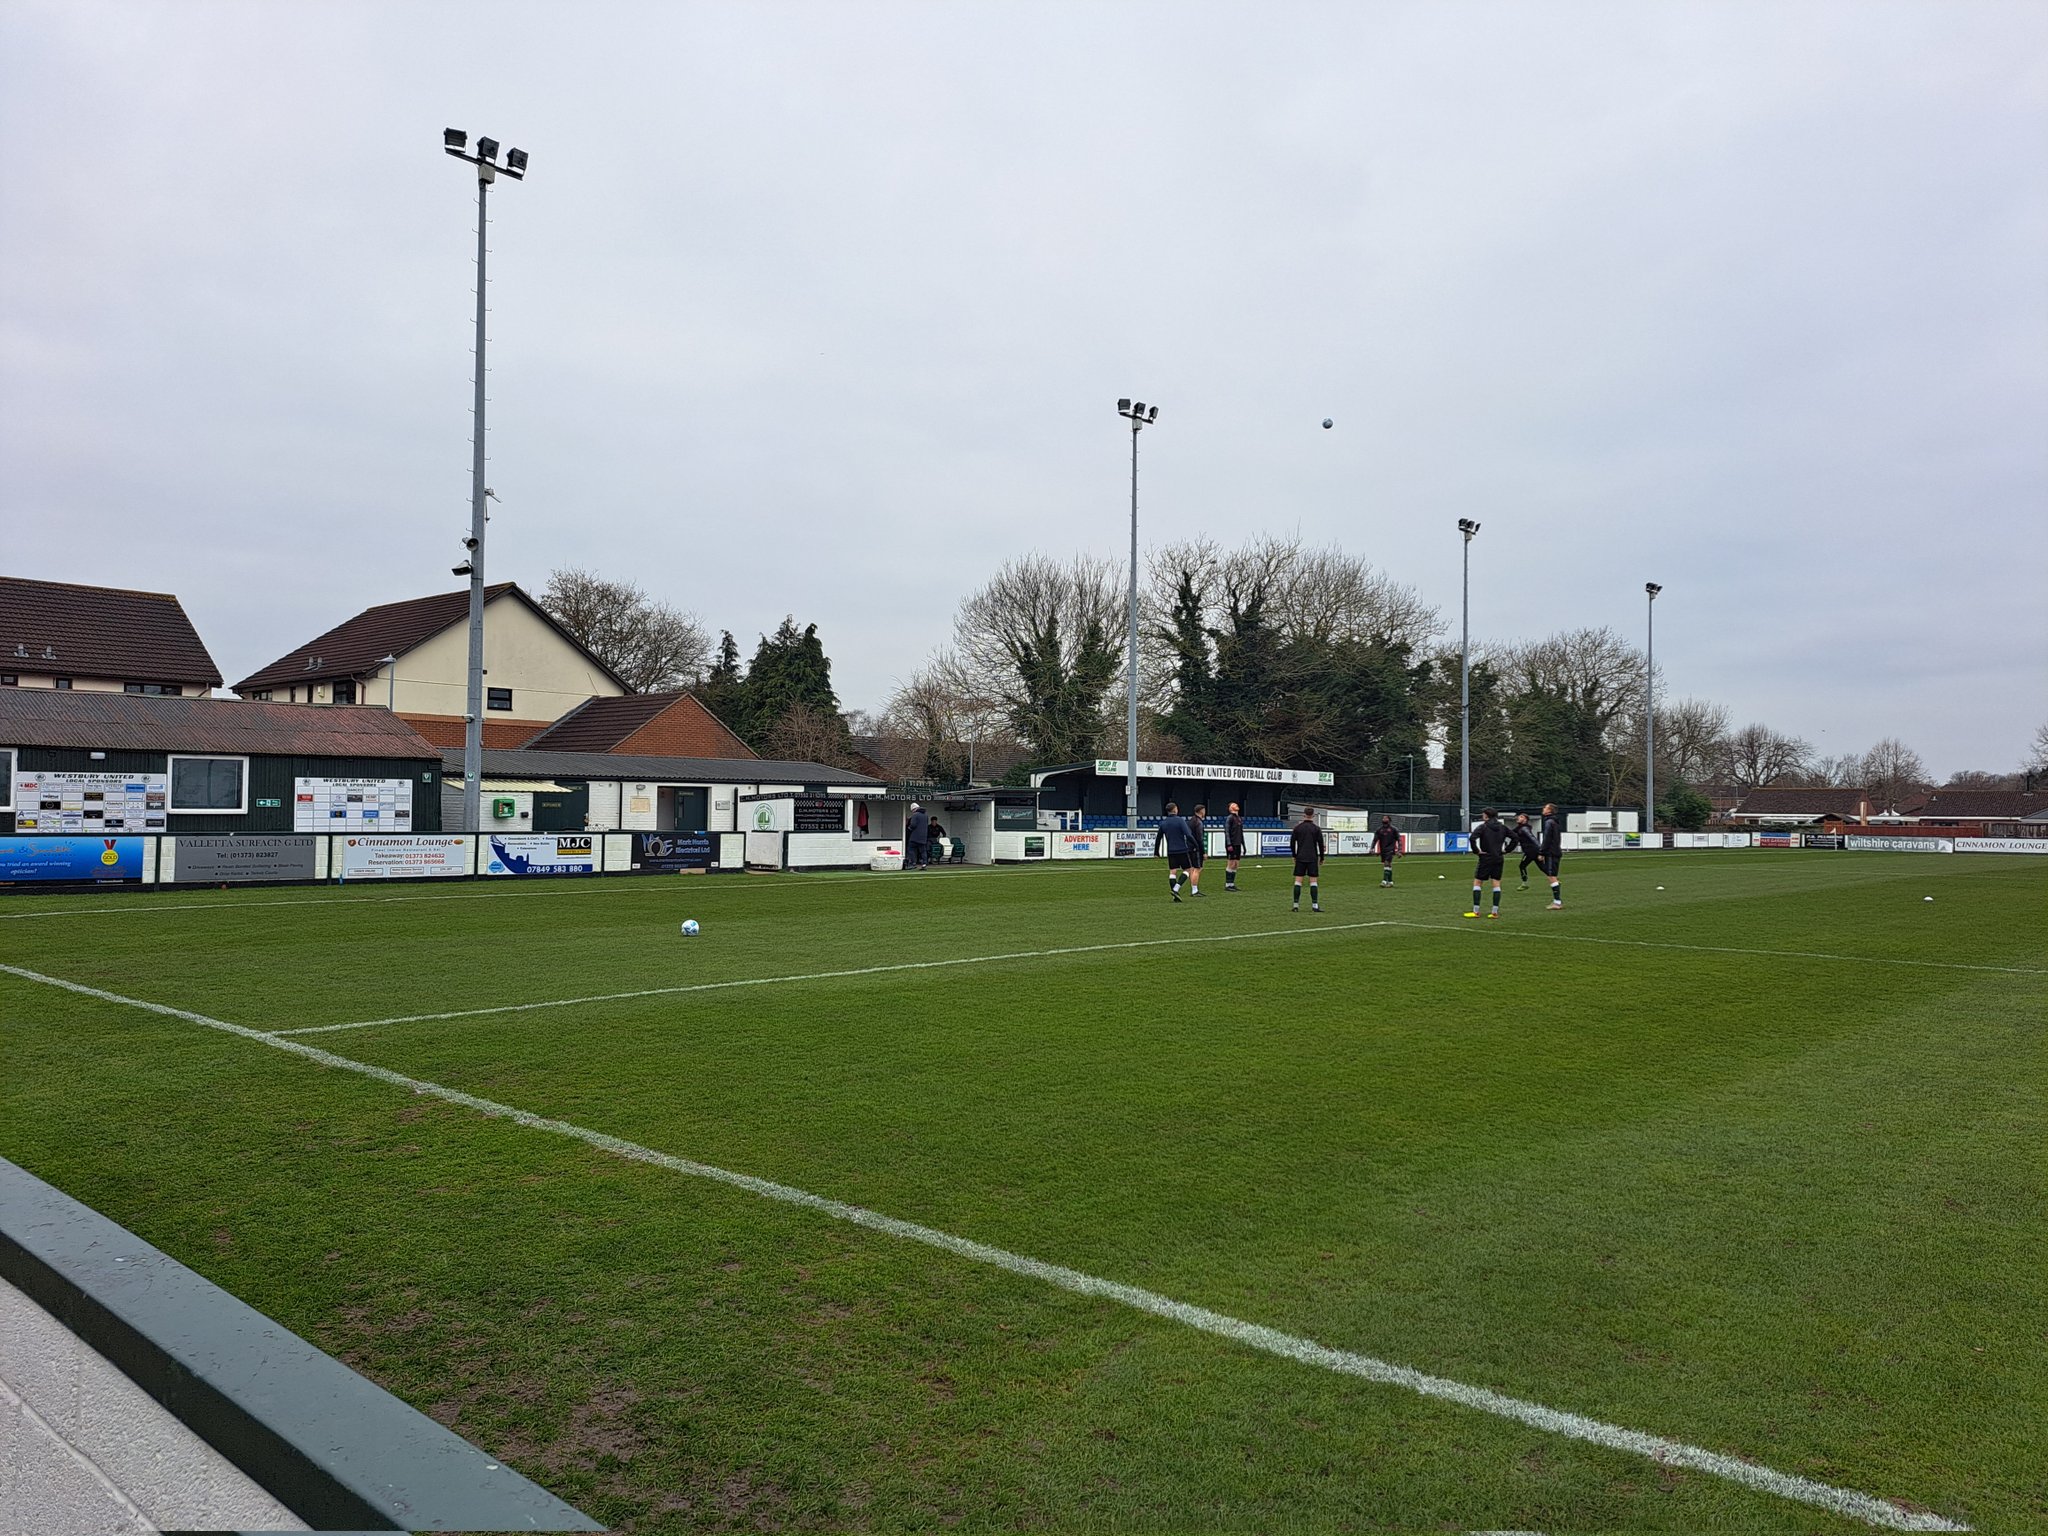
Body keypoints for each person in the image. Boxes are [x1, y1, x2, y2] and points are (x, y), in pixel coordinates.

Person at [1466, 808, 1512, 918]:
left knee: (1478, 883)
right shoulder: (1502, 827)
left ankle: (1476, 911)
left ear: (1486, 816)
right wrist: (1507, 850)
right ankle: (1494, 912)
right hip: (1498, 858)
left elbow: (1472, 838)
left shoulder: (1483, 827)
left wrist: (1476, 851)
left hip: (1485, 858)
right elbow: (1515, 838)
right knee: (1496, 884)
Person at [1155, 801, 1197, 902]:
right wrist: (1195, 845)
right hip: (1182, 849)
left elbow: (1158, 838)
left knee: (1173, 871)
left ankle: (1175, 897)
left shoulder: (1164, 823)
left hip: (1171, 851)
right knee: (1188, 869)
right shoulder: (1180, 821)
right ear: (1175, 809)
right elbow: (1188, 834)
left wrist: (1156, 852)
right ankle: (1176, 888)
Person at [1289, 810, 1326, 912]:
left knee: (1298, 881)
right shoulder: (1316, 829)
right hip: (1312, 857)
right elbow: (1320, 845)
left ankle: (1295, 905)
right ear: (1313, 815)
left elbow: (1292, 843)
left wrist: (1294, 855)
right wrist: (1322, 857)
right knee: (1313, 882)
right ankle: (1315, 905)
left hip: (1300, 857)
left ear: (1304, 815)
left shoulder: (1298, 828)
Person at [1537, 801, 1564, 908]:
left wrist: (1541, 852)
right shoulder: (1555, 822)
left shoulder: (1549, 822)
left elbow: (1547, 838)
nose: (1543, 809)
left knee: (1551, 876)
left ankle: (1557, 902)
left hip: (1551, 853)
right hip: (1556, 851)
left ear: (1549, 810)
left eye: (1545, 808)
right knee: (1553, 875)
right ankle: (1557, 898)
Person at [1371, 814, 1402, 887]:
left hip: (1390, 849)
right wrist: (1372, 848)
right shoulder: (1379, 830)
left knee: (1386, 863)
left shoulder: (1394, 829)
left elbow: (1399, 840)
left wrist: (1399, 850)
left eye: (1386, 818)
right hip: (1383, 850)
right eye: (1383, 818)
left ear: (1389, 820)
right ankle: (1390, 882)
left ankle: (1384, 881)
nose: (1384, 819)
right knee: (1389, 865)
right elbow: (1375, 840)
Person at [1514, 812, 1543, 887]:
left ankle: (1524, 884)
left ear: (1525, 819)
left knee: (1522, 866)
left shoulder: (1524, 828)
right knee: (1542, 868)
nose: (1518, 818)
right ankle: (1555, 881)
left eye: (1521, 817)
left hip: (1530, 851)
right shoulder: (1519, 828)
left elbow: (1532, 838)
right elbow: (1510, 832)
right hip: (1534, 850)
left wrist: (1541, 850)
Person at [1223, 802, 1246, 890]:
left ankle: (1232, 884)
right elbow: (1227, 831)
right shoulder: (1230, 818)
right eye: (1234, 805)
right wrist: (1229, 844)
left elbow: (1241, 833)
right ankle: (1227, 884)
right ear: (1230, 808)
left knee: (1236, 864)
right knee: (1231, 863)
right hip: (1232, 844)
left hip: (1238, 844)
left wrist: (1243, 845)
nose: (1236, 805)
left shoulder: (1239, 818)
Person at [1186, 804, 1207, 896]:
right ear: (1201, 811)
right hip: (1196, 848)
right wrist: (1203, 852)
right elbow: (1200, 838)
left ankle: (1193, 888)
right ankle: (1194, 890)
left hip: (1189, 847)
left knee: (1192, 869)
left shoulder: (1190, 821)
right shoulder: (1198, 822)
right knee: (1197, 868)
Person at [906, 802, 929, 870]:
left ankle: (913, 863)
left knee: (911, 849)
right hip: (924, 836)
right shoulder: (925, 815)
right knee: (923, 850)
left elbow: (913, 825)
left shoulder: (915, 815)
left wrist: (909, 828)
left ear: (913, 809)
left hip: (915, 836)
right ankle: (924, 864)